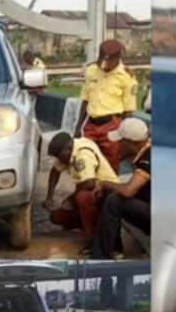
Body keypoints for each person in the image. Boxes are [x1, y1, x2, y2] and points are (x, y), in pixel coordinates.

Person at [44, 132, 120, 253]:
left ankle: (93, 238)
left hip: (108, 194)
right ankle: (92, 224)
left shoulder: (83, 155)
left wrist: (70, 199)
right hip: (96, 192)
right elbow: (55, 171)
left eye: (59, 156)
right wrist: (49, 197)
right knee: (57, 217)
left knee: (82, 197)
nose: (59, 160)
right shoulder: (72, 148)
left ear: (67, 148)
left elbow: (88, 185)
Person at [74, 39, 139, 172]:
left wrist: (125, 137)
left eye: (109, 61)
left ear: (118, 59)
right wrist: (78, 127)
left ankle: (107, 192)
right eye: (102, 59)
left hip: (112, 126)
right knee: (86, 162)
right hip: (91, 125)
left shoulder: (127, 77)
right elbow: (85, 101)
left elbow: (128, 112)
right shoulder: (92, 70)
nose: (104, 64)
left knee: (110, 165)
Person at [91, 117, 151, 259]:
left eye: (120, 141)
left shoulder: (148, 158)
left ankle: (102, 256)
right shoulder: (146, 152)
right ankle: (113, 248)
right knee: (112, 194)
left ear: (130, 143)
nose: (118, 145)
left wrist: (105, 183)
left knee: (115, 200)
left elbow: (128, 191)